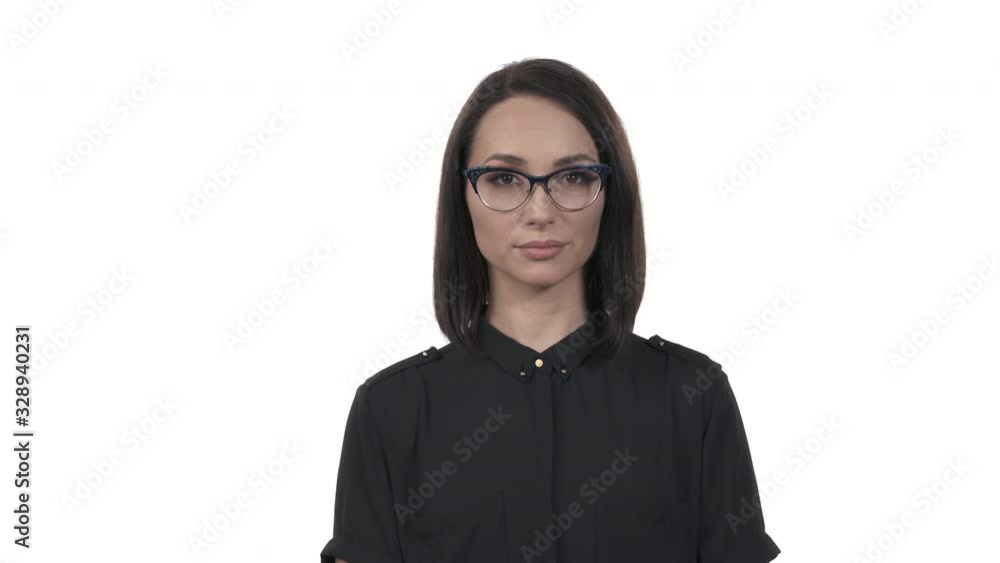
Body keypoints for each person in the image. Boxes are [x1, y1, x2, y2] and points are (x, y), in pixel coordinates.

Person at [321, 57, 781, 563]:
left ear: (610, 193)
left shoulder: (691, 397)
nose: (540, 211)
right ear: (463, 196)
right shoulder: (393, 411)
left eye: (574, 177)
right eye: (503, 179)